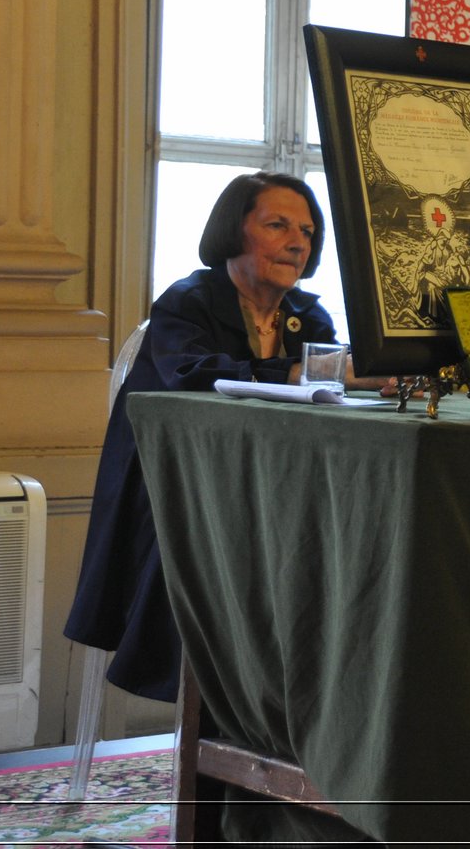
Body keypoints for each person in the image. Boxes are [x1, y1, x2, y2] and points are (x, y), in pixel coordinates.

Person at [64, 172, 359, 701]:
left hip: (275, 492)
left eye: (308, 232)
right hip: (173, 492)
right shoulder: (188, 301)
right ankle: (232, 717)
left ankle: (288, 715)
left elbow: (335, 392)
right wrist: (296, 375)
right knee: (231, 554)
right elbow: (193, 374)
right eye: (278, 225)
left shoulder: (306, 315)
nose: (297, 242)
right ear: (233, 230)